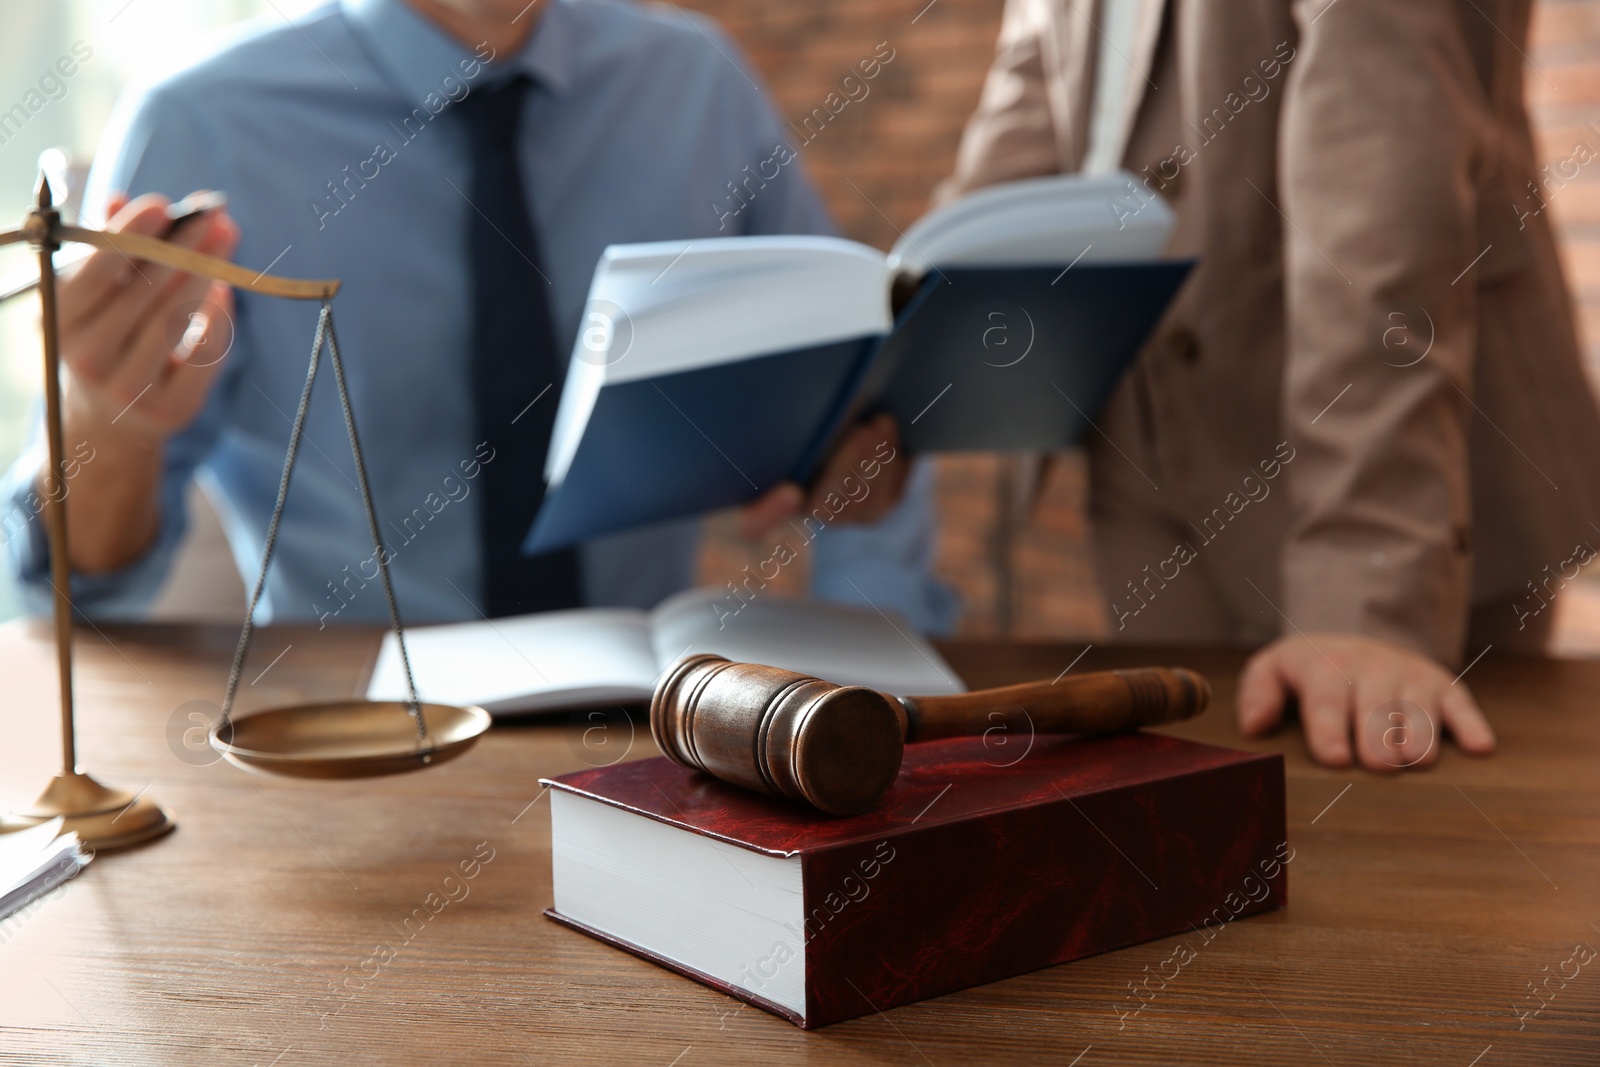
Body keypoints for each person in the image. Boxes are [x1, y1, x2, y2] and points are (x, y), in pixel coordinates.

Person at [0, 0, 956, 634]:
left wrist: (872, 658)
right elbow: (90, 589)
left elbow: (860, 405)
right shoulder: (201, 119)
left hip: (659, 732)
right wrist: (98, 421)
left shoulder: (697, 85)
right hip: (351, 750)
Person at [940, 0, 1600, 768]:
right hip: (1144, 456)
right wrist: (879, 400)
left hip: (1392, 473)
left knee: (1397, 830)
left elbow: (1382, 181)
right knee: (1195, 811)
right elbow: (1011, 159)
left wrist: (1369, 585)